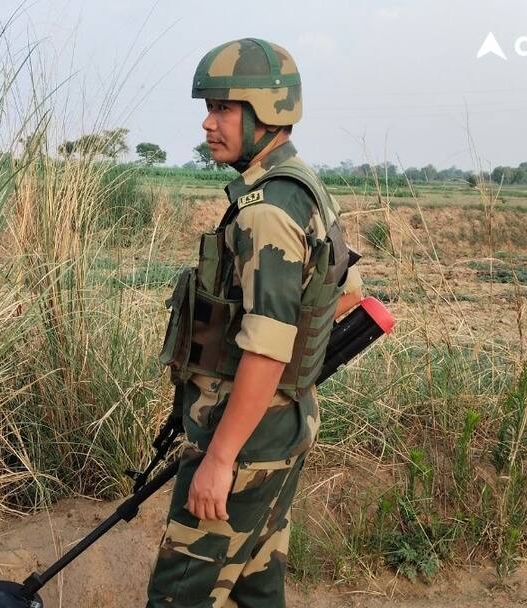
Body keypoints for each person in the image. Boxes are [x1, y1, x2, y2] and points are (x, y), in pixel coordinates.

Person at [147, 38, 363, 608]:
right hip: (278, 428)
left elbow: (267, 350)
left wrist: (220, 459)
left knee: (181, 596)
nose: (208, 122)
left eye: (223, 108)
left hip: (243, 442)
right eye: (209, 107)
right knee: (254, 589)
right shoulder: (302, 188)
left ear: (267, 112)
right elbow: (346, 294)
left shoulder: (267, 212)